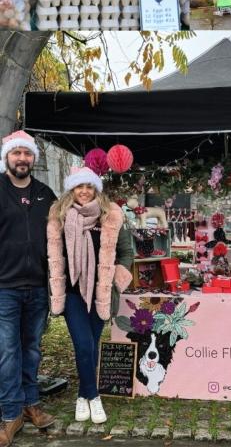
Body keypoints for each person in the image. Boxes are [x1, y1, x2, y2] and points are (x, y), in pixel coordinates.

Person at [46, 166, 134, 424]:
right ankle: (93, 397)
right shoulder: (59, 216)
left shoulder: (111, 215)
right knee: (83, 344)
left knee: (92, 345)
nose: (84, 191)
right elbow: (53, 254)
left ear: (96, 189)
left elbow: (126, 252)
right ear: (71, 190)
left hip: (101, 291)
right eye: (79, 186)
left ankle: (82, 396)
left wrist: (117, 279)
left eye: (89, 186)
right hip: (72, 292)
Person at [0, 131, 58, 447]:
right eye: (16, 153)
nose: (22, 158)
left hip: (37, 285)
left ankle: (30, 402)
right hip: (4, 287)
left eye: (27, 153)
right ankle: (10, 414)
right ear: (7, 157)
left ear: (33, 158)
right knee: (7, 351)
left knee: (32, 348)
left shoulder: (45, 193)